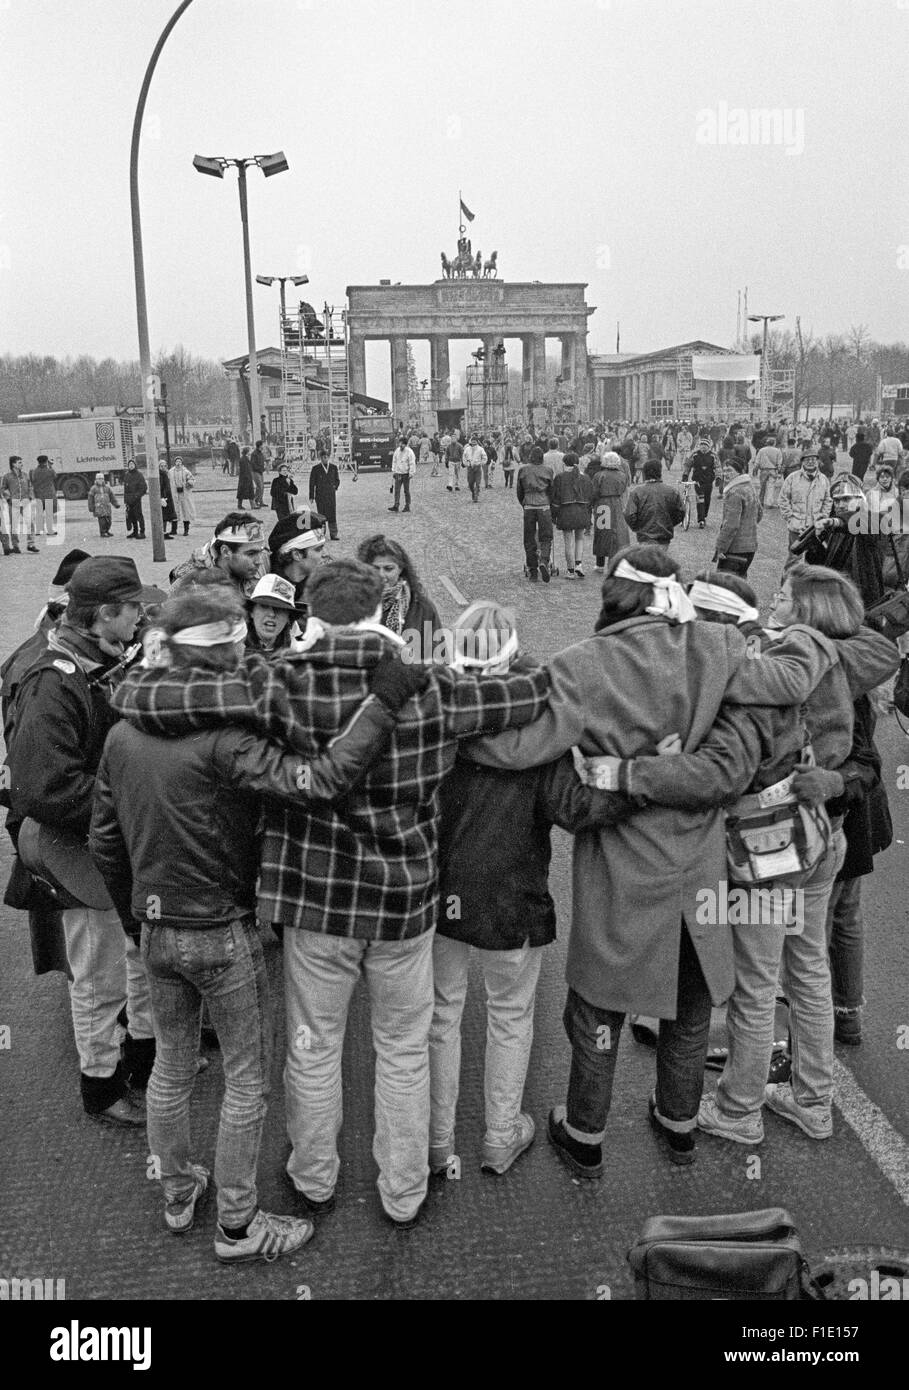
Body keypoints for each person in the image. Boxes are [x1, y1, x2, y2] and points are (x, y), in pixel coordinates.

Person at [110, 558, 551, 1228]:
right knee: (402, 1049)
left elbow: (178, 701)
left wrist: (133, 692)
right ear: (385, 606)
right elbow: (521, 697)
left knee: (314, 1045)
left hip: (315, 900)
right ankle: (402, 1189)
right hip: (403, 900)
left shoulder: (280, 683)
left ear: (309, 611)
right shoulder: (428, 687)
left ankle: (314, 1178)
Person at [466, 546, 856, 1171]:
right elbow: (786, 682)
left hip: (620, 865)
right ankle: (678, 1122)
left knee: (599, 1004)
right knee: (691, 998)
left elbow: (521, 747)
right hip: (699, 860)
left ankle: (586, 1135)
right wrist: (802, 633)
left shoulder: (581, 665)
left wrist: (444, 733)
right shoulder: (716, 648)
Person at [89, 581, 425, 1261]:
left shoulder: (122, 734)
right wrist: (382, 702)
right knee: (247, 1081)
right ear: (221, 653)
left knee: (172, 1069)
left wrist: (136, 915)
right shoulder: (228, 742)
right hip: (224, 930)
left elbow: (102, 838)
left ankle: (179, 1193)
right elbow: (321, 780)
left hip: (156, 928)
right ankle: (238, 1226)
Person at [430, 601, 637, 1176]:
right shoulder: (539, 731)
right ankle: (500, 1135)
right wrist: (637, 781)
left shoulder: (431, 716)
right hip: (512, 894)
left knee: (441, 1015)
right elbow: (577, 809)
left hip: (435, 892)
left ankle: (437, 1140)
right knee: (511, 1015)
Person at [5, 556, 154, 1127]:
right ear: (104, 615)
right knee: (98, 975)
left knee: (135, 958)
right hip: (81, 850)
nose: (140, 614)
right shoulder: (54, 679)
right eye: (133, 607)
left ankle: (141, 1060)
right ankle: (101, 1084)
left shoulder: (96, 660)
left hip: (112, 844)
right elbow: (44, 788)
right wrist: (127, 797)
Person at [357, 535, 442, 659]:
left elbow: (437, 657)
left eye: (388, 569)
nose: (381, 575)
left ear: (400, 569)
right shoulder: (352, 605)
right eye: (374, 569)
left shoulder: (421, 607)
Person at [169, 512, 268, 599]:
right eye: (251, 554)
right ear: (225, 552)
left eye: (261, 552)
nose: (259, 561)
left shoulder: (256, 565)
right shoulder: (192, 587)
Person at [268, 509, 328, 612]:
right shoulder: (267, 589)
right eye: (318, 549)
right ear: (297, 554)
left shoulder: (322, 583)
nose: (326, 554)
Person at [713, 455, 761, 575]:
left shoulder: (734, 492)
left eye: (730, 470)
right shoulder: (749, 487)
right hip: (750, 547)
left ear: (739, 472)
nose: (725, 474)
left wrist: (721, 547)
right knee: (739, 583)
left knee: (725, 586)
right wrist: (747, 526)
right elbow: (759, 513)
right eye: (724, 471)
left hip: (735, 548)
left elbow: (731, 525)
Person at [551, 451, 594, 579]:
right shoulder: (586, 478)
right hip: (582, 511)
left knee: (568, 542)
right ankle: (579, 564)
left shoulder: (559, 477)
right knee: (580, 539)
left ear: (565, 464)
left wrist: (554, 515)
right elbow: (590, 497)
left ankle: (570, 570)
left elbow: (555, 498)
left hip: (566, 511)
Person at [778, 449, 832, 550]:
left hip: (816, 527)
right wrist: (790, 517)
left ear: (818, 462)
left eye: (813, 460)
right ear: (802, 462)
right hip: (796, 526)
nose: (810, 462)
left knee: (814, 557)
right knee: (794, 557)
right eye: (807, 460)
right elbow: (783, 499)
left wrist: (823, 517)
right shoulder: (792, 478)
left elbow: (827, 500)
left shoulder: (823, 479)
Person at [516, 444, 554, 583]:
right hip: (544, 505)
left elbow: (519, 490)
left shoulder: (523, 470)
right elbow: (552, 490)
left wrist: (524, 503)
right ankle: (544, 560)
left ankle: (532, 570)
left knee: (529, 538)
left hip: (529, 505)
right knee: (546, 536)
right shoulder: (548, 470)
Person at [623, 461, 684, 547]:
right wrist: (668, 524)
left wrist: (638, 528)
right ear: (660, 472)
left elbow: (629, 514)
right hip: (664, 537)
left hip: (645, 537)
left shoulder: (637, 492)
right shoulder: (672, 491)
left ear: (645, 473)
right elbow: (680, 512)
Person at [244, 573, 300, 660]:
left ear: (288, 618)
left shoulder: (297, 654)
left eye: (279, 608)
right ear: (252, 612)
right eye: (264, 606)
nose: (271, 614)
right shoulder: (233, 646)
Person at [590, 451, 630, 573]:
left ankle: (600, 564)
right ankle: (614, 563)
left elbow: (594, 492)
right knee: (617, 534)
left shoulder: (599, 475)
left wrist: (592, 505)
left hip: (602, 506)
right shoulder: (622, 475)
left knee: (601, 533)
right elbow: (624, 489)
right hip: (617, 504)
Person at [1, 455, 38, 554]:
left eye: (21, 462)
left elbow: (30, 486)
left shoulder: (25, 475)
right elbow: (3, 489)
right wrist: (8, 499)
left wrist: (30, 496)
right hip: (14, 503)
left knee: (30, 523)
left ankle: (31, 544)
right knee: (14, 526)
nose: (22, 464)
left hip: (25, 503)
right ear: (13, 464)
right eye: (19, 462)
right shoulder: (7, 476)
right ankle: (15, 546)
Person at [685, 436, 719, 526]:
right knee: (700, 499)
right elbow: (688, 465)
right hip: (698, 481)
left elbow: (718, 467)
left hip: (709, 481)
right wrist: (685, 475)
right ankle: (701, 520)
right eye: (702, 445)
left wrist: (718, 477)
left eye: (705, 445)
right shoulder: (695, 455)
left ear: (709, 446)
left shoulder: (713, 455)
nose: (703, 447)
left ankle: (704, 515)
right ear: (699, 446)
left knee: (707, 500)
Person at [309, 451, 340, 539]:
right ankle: (322, 533)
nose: (325, 459)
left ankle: (334, 534)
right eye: (323, 457)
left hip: (331, 495)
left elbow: (337, 480)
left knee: (332, 514)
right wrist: (311, 496)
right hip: (320, 495)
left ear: (329, 457)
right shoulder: (316, 468)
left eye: (326, 457)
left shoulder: (334, 467)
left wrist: (335, 487)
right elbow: (312, 483)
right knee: (321, 515)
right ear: (320, 458)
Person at [30, 455, 58, 537]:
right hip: (49, 494)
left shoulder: (34, 471)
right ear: (46, 461)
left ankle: (38, 530)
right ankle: (50, 530)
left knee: (39, 513)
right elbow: (55, 476)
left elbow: (32, 481)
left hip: (38, 495)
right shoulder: (49, 471)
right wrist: (51, 466)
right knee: (49, 514)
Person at [752, 436, 783, 508]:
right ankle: (769, 503)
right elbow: (779, 463)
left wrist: (755, 470)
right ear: (774, 443)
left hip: (763, 470)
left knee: (762, 487)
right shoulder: (777, 451)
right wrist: (779, 472)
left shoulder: (762, 450)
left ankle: (760, 501)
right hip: (773, 470)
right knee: (771, 487)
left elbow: (757, 461)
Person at [168, 457, 196, 537]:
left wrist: (188, 484)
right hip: (174, 493)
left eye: (180, 461)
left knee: (185, 510)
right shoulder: (171, 472)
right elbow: (168, 481)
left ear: (182, 462)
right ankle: (174, 529)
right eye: (177, 461)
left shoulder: (185, 471)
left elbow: (192, 479)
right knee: (175, 510)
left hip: (184, 493)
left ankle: (186, 530)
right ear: (175, 462)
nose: (178, 463)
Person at [87, 472, 120, 538]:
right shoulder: (93, 488)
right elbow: (90, 499)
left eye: (101, 479)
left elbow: (112, 497)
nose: (100, 480)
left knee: (109, 521)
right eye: (99, 479)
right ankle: (103, 532)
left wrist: (116, 504)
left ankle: (107, 531)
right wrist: (91, 507)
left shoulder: (107, 488)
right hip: (99, 509)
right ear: (96, 480)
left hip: (107, 508)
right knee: (102, 522)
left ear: (103, 479)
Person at [390, 436, 416, 512]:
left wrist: (411, 473)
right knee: (397, 490)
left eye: (402, 444)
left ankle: (407, 505)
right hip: (398, 473)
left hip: (406, 474)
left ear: (405, 444)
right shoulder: (397, 451)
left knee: (406, 490)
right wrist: (394, 471)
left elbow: (412, 463)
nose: (400, 446)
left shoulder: (409, 452)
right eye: (399, 444)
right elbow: (394, 461)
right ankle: (396, 505)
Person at [123, 460, 147, 539]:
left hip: (136, 499)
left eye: (132, 464)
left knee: (139, 515)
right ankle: (135, 531)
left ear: (135, 465)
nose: (131, 465)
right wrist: (126, 500)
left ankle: (142, 532)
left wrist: (137, 496)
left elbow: (143, 488)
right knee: (131, 516)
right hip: (129, 500)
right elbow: (125, 489)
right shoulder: (127, 475)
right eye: (130, 464)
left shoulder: (139, 475)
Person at [463, 433, 487, 503]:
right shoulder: (467, 449)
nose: (473, 443)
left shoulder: (480, 449)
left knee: (477, 483)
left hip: (477, 468)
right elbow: (464, 457)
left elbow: (485, 457)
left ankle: (476, 495)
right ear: (470, 442)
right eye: (472, 441)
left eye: (475, 442)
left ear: (477, 442)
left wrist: (481, 463)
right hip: (470, 468)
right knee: (470, 483)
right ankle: (473, 492)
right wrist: (466, 464)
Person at [159, 462, 177, 537]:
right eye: (161, 466)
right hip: (164, 497)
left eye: (164, 466)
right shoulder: (160, 475)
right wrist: (162, 497)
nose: (163, 467)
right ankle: (163, 532)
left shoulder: (167, 474)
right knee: (164, 515)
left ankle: (172, 530)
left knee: (170, 514)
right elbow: (161, 487)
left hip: (169, 497)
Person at [236, 447, 255, 512]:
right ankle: (241, 505)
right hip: (245, 478)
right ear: (247, 452)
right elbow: (245, 469)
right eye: (250, 451)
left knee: (248, 491)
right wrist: (247, 477)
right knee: (244, 491)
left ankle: (252, 505)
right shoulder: (243, 459)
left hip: (246, 477)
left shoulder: (245, 458)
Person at [250, 440, 266, 507]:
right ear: (260, 445)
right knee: (259, 486)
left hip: (260, 471)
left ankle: (260, 501)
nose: (264, 446)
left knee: (262, 486)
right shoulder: (254, 454)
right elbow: (253, 464)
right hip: (255, 471)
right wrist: (260, 469)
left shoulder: (260, 453)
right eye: (263, 444)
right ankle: (256, 501)